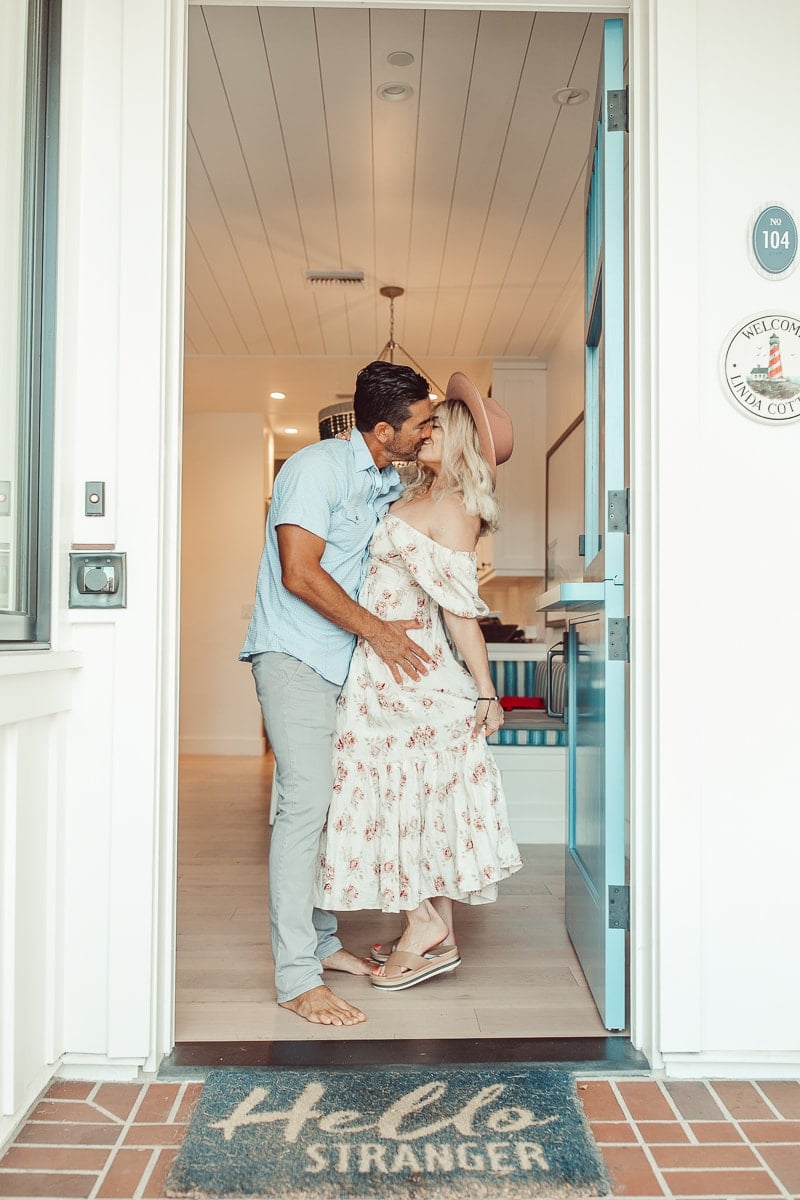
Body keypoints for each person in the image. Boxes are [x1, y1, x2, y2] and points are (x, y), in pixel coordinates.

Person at [240, 360, 435, 1026]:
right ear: (384, 428)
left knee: (325, 806)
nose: (427, 432)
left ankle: (321, 947)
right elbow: (299, 573)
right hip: (294, 655)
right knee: (305, 806)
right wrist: (379, 632)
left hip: (340, 661)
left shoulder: (382, 480)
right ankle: (297, 979)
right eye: (422, 424)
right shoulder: (314, 468)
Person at [315, 372, 523, 991]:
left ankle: (421, 924)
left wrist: (487, 691)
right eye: (424, 423)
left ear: (457, 439)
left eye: (437, 425)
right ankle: (441, 936)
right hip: (385, 667)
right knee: (418, 800)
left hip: (408, 675)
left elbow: (460, 611)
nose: (426, 430)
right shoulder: (415, 495)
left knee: (403, 796)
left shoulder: (454, 508)